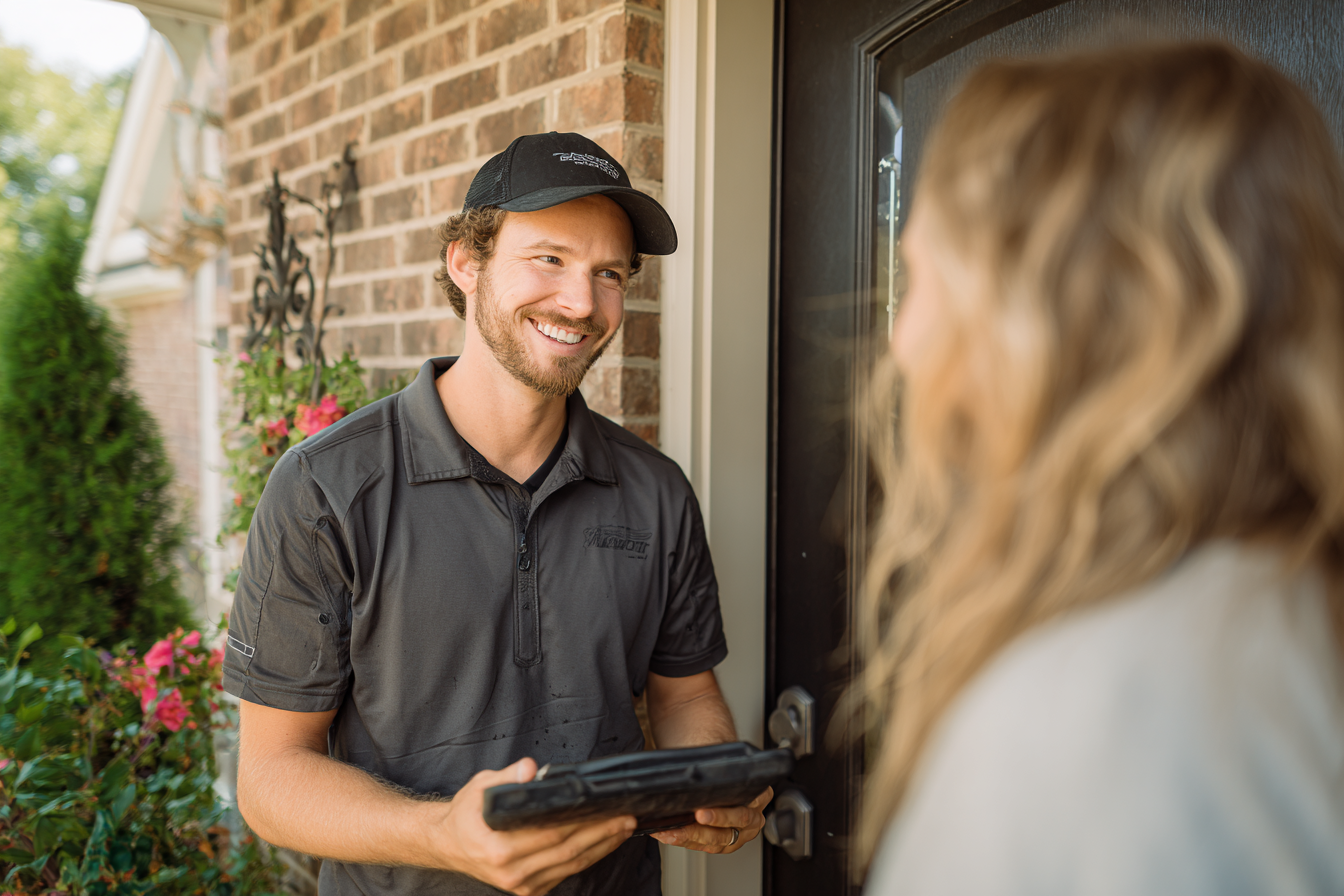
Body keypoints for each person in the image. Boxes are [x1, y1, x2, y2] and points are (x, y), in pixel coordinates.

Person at [223, 132, 769, 896]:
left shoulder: (657, 491)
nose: (581, 303)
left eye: (607, 273)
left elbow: (686, 694)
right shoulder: (325, 489)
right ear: (466, 263)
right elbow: (271, 777)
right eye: (548, 259)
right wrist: (442, 835)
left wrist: (708, 777)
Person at [857, 42, 1344, 895]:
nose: (904, 341)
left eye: (923, 279)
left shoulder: (1076, 722)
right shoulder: (1288, 619)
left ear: (1042, 321)